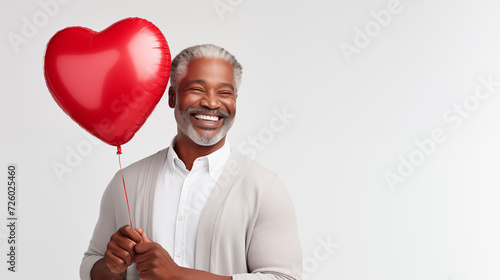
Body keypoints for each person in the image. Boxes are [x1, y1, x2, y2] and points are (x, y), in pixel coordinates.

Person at [80, 44, 302, 280]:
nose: (212, 103)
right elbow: (91, 265)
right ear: (172, 96)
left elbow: (284, 278)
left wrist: (178, 275)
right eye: (197, 89)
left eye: (225, 93)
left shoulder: (264, 188)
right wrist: (113, 267)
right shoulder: (128, 181)